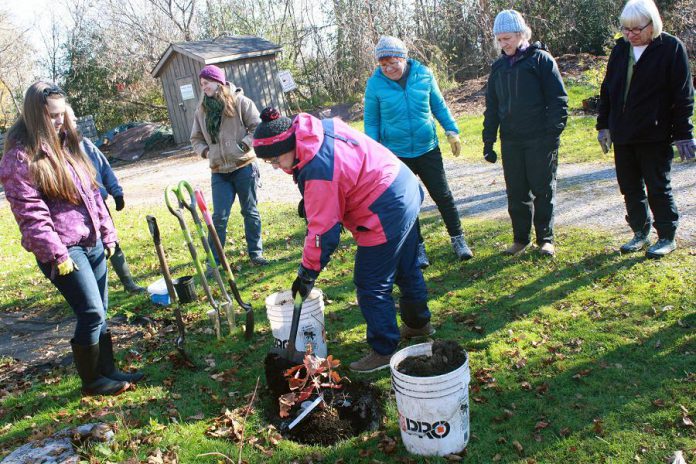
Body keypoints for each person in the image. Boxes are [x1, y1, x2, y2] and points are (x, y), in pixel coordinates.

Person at [253, 107, 434, 373]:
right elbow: (346, 173)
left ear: (290, 143)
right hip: (401, 183)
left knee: (371, 282)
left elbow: (323, 234)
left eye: (277, 159)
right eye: (270, 163)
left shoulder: (318, 169)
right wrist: (315, 201)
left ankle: (384, 350)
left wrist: (306, 274)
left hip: (384, 207)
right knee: (405, 266)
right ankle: (418, 324)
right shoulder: (317, 130)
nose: (277, 167)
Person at [0, 82, 143, 396]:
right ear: (35, 115)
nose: (59, 120)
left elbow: (93, 193)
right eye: (52, 116)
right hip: (63, 248)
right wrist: (57, 254)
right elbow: (30, 214)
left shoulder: (69, 144)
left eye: (61, 113)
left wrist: (108, 233)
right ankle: (92, 381)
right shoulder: (20, 158)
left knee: (101, 311)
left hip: (91, 239)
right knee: (90, 312)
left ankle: (109, 370)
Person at [596, 0, 694, 258]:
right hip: (623, 133)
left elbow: (683, 95)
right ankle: (640, 232)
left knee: (658, 186)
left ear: (653, 24)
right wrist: (603, 125)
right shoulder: (620, 50)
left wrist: (684, 133)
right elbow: (607, 91)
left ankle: (666, 236)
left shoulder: (671, 48)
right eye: (626, 29)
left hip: (655, 133)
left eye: (636, 29)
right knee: (629, 187)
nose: (630, 34)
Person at [364, 36, 473, 267]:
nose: (389, 68)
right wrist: (372, 152)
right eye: (383, 65)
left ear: (403, 58)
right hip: (396, 153)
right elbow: (372, 121)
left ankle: (458, 239)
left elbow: (439, 105)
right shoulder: (375, 84)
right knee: (407, 203)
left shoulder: (424, 75)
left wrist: (452, 130)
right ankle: (418, 248)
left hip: (427, 148)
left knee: (442, 194)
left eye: (393, 62)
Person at [482, 10, 568, 257]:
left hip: (540, 138)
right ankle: (521, 239)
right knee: (516, 192)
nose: (503, 43)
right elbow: (492, 107)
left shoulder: (541, 60)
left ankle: (546, 239)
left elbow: (559, 100)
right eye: (499, 39)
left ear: (521, 34)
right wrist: (489, 141)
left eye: (507, 38)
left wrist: (552, 136)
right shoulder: (498, 68)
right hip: (511, 140)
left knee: (543, 189)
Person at [190, 64, 268, 266]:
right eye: (202, 84)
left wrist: (243, 145)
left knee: (250, 212)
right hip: (219, 172)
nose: (204, 87)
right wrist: (207, 152)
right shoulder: (201, 111)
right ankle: (214, 263)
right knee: (218, 218)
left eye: (206, 83)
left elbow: (257, 126)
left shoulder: (240, 101)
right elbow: (195, 139)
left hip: (244, 166)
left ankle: (256, 254)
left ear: (218, 82)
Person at [65, 104, 145, 293]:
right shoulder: (58, 152)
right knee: (90, 249)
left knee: (112, 242)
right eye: (72, 118)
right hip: (75, 212)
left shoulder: (85, 145)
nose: (75, 121)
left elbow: (104, 167)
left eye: (75, 118)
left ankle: (129, 284)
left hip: (98, 206)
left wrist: (116, 192)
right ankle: (92, 290)